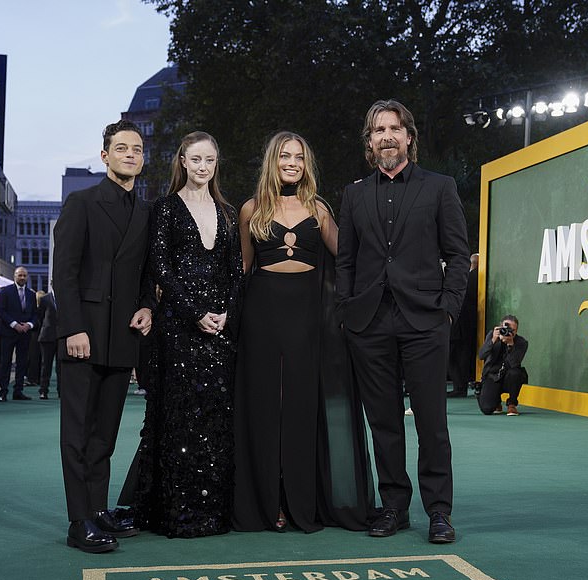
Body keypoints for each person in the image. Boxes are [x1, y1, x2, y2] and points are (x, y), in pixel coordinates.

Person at [336, 99, 470, 544]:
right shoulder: (354, 194)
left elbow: (457, 254)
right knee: (384, 423)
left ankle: (439, 512)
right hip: (370, 322)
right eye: (378, 130)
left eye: (394, 128)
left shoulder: (439, 187)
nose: (387, 136)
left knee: (432, 422)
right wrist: (346, 308)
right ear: (370, 141)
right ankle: (394, 506)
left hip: (425, 321)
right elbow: (347, 261)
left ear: (409, 136)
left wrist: (448, 308)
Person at [232, 131, 374, 533]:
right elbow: (241, 272)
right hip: (261, 318)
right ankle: (268, 501)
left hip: (309, 320)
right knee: (265, 409)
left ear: (306, 164)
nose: (291, 162)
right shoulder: (251, 209)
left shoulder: (320, 209)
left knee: (300, 409)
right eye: (284, 156)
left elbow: (348, 261)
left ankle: (301, 502)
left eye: (298, 157)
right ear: (272, 162)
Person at [118, 131, 243, 539]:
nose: (203, 167)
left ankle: (213, 512)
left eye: (210, 159)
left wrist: (225, 313)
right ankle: (176, 513)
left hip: (220, 333)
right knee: (178, 419)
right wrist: (195, 313)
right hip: (178, 331)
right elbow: (161, 269)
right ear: (183, 162)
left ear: (215, 164)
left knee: (215, 418)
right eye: (196, 159)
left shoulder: (227, 211)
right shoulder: (165, 209)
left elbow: (235, 271)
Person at [53, 119, 153, 553]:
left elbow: (148, 273)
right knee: (77, 433)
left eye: (137, 149)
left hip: (121, 339)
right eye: (122, 148)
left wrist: (148, 305)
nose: (130, 154)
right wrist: (72, 327)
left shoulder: (146, 212)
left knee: (105, 435)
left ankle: (97, 510)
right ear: (104, 155)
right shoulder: (82, 202)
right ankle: (80, 521)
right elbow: (64, 273)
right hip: (83, 335)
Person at [0, 266, 38, 402]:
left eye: (24, 276)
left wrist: (29, 325)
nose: (22, 278)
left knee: (22, 363)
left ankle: (18, 391)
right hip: (8, 332)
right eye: (19, 275)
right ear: (15, 276)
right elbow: (1, 311)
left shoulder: (31, 294)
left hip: (25, 334)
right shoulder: (5, 291)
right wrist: (14, 324)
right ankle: (3, 391)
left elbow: (35, 315)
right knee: (6, 362)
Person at [477, 315, 528, 416]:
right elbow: (481, 355)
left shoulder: (521, 342)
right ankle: (495, 401)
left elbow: (515, 363)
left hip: (509, 378)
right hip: (492, 376)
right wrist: (493, 341)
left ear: (516, 331)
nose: (510, 333)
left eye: (513, 330)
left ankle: (512, 404)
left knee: (516, 373)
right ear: (500, 327)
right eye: (507, 329)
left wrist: (510, 345)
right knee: (487, 409)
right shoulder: (492, 335)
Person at [448, 253, 479, 396]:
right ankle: (461, 386)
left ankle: (459, 387)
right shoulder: (478, 279)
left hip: (459, 325)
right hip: (469, 325)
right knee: (462, 355)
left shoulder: (468, 279)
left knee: (453, 356)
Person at [36, 286, 60, 400]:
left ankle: (61, 391)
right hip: (47, 336)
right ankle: (43, 390)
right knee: (46, 365)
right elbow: (40, 317)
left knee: (61, 367)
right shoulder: (45, 299)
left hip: (61, 336)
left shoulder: (65, 297)